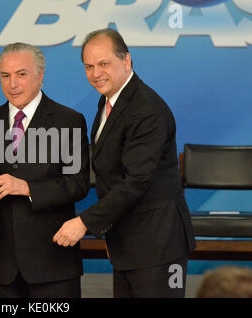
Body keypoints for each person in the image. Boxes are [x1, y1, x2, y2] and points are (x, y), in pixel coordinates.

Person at [53, 29, 196, 298]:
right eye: (89, 66)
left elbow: (136, 181)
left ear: (126, 61)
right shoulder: (109, 101)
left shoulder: (146, 109)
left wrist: (85, 221)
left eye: (104, 64)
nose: (96, 73)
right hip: (129, 244)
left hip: (158, 246)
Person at [0, 42, 90, 298]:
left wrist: (26, 188)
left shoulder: (69, 120)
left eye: (21, 74)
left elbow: (78, 183)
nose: (12, 84)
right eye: (5, 75)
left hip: (53, 261)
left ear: (40, 75)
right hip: (3, 266)